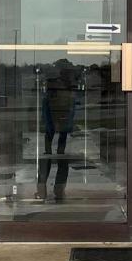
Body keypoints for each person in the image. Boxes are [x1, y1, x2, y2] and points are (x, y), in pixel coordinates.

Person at [36, 64, 78, 202]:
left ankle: (42, 190)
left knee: (47, 159)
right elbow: (71, 111)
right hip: (61, 130)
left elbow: (46, 110)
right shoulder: (68, 91)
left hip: (53, 130)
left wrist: (49, 128)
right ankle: (58, 190)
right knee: (62, 159)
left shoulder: (52, 91)